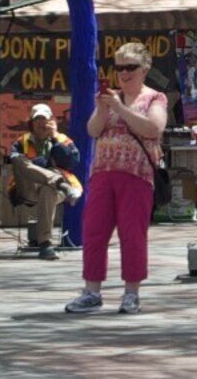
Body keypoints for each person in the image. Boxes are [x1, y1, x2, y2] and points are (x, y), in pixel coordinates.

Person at [68, 44, 167, 315]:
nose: (124, 73)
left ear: (145, 69)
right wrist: (102, 110)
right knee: (94, 232)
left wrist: (121, 109)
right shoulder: (111, 98)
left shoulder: (154, 98)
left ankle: (131, 293)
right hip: (102, 173)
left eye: (131, 67)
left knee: (132, 235)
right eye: (120, 67)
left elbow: (153, 128)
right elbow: (92, 129)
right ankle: (91, 291)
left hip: (136, 175)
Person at [2, 104, 79, 258]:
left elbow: (72, 163)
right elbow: (15, 162)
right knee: (18, 159)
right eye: (37, 119)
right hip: (27, 188)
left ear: (51, 121)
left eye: (44, 119)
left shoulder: (63, 139)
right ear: (31, 121)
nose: (41, 123)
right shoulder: (21, 141)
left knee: (47, 190)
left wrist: (55, 138)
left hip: (54, 191)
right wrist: (44, 164)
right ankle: (58, 182)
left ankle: (45, 245)